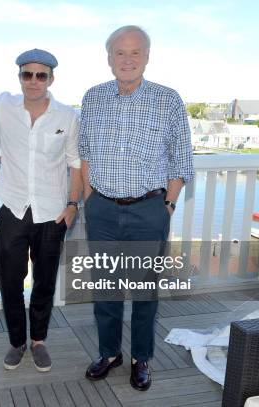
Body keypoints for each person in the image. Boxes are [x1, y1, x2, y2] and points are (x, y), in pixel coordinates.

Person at [79, 26, 194, 390]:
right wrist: (88, 200)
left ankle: (140, 357)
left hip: (148, 210)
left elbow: (181, 161)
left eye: (135, 52)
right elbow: (84, 153)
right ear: (109, 57)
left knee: (145, 291)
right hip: (102, 210)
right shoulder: (93, 98)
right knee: (105, 287)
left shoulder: (168, 99)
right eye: (119, 52)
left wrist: (168, 206)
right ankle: (109, 352)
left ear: (147, 56)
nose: (127, 60)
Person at [0, 50, 82, 372]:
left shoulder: (66, 116)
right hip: (13, 208)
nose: (33, 81)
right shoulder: (2, 106)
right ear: (19, 77)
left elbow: (75, 163)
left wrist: (73, 205)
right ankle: (17, 341)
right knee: (10, 280)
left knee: (44, 281)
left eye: (40, 75)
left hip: (53, 212)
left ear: (51, 79)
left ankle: (38, 340)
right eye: (26, 74)